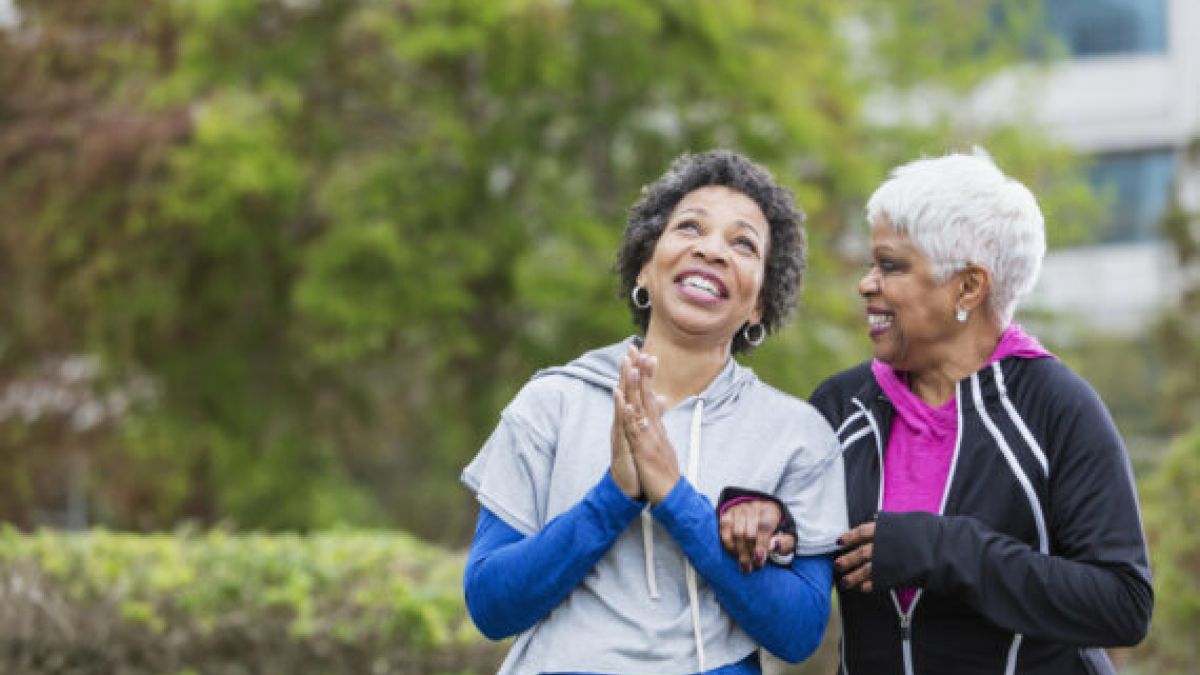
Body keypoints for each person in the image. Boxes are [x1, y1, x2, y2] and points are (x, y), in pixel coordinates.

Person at [719, 150, 1153, 675]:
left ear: (968, 286)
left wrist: (943, 549)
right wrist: (763, 517)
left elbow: (1122, 604)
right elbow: (792, 563)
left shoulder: (1056, 406)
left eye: (891, 265)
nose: (866, 283)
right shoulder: (840, 407)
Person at [460, 150, 848, 675]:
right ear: (646, 264)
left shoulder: (797, 435)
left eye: (743, 243)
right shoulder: (554, 401)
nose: (711, 250)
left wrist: (676, 500)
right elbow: (490, 606)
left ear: (760, 302)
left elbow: (799, 633)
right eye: (690, 227)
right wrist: (613, 498)